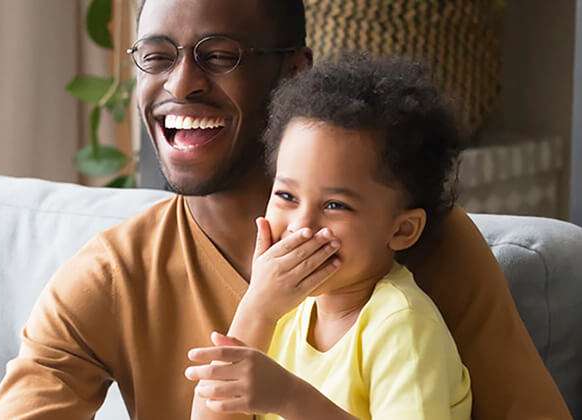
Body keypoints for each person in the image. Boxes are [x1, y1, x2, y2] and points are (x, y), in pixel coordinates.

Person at [0, 0, 571, 419]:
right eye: (156, 56)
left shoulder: (431, 250)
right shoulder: (112, 275)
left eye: (218, 55)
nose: (182, 84)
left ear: (294, 70)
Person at [185, 55, 472, 420]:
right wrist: (256, 307)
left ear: (401, 230)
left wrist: (291, 398)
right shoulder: (283, 311)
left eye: (335, 205)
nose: (301, 226)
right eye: (286, 197)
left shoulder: (402, 325)